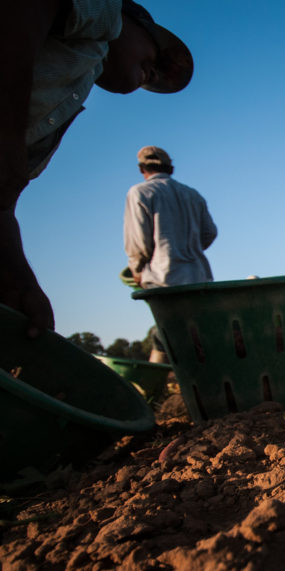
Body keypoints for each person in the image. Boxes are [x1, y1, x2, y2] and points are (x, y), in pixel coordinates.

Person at [1, 0, 193, 336]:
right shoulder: (107, 16)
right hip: (191, 277)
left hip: (163, 277)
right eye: (154, 52)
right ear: (131, 24)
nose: (156, 69)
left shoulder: (67, 101)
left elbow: (3, 198)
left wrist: (20, 279)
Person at [123, 146, 216, 363]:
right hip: (198, 276)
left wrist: (137, 269)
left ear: (142, 169)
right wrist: (189, 247)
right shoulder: (192, 195)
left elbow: (138, 243)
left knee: (167, 331)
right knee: (191, 330)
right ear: (170, 168)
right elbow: (210, 232)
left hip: (163, 276)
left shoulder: (140, 192)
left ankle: (156, 386)